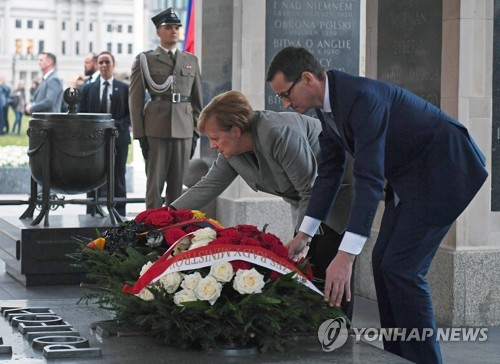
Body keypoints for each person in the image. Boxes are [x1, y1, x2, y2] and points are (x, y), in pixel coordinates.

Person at [266, 46, 488, 364]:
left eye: (286, 94)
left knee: (403, 269)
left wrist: (345, 255)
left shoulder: (361, 97)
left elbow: (369, 178)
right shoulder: (327, 108)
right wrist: (304, 235)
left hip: (445, 172)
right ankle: (399, 356)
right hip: (411, 179)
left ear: (307, 79)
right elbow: (328, 175)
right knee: (384, 263)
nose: (286, 104)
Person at [171, 90, 355, 319]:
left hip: (339, 190)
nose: (212, 146)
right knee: (309, 267)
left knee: (328, 264)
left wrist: (303, 237)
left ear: (236, 130)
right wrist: (166, 215)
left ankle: (338, 330)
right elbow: (207, 186)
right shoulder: (233, 151)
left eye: (215, 138)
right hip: (309, 198)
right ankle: (315, 328)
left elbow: (311, 189)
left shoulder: (279, 133)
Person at [129, 7, 203, 209]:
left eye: (177, 27)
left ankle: (173, 230)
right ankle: (150, 231)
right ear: (158, 32)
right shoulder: (145, 60)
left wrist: (196, 131)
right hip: (156, 128)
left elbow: (197, 100)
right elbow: (135, 100)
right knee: (154, 186)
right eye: (168, 27)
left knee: (177, 187)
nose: (174, 31)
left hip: (184, 128)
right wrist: (140, 135)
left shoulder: (191, 60)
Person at [79, 51, 131, 216]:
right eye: (100, 62)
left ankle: (120, 213)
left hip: (118, 140)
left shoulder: (124, 88)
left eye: (107, 62)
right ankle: (92, 211)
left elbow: (130, 114)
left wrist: (115, 126)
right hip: (94, 142)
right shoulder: (88, 89)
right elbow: (82, 113)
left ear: (113, 65)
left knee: (118, 176)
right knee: (92, 176)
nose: (103, 65)